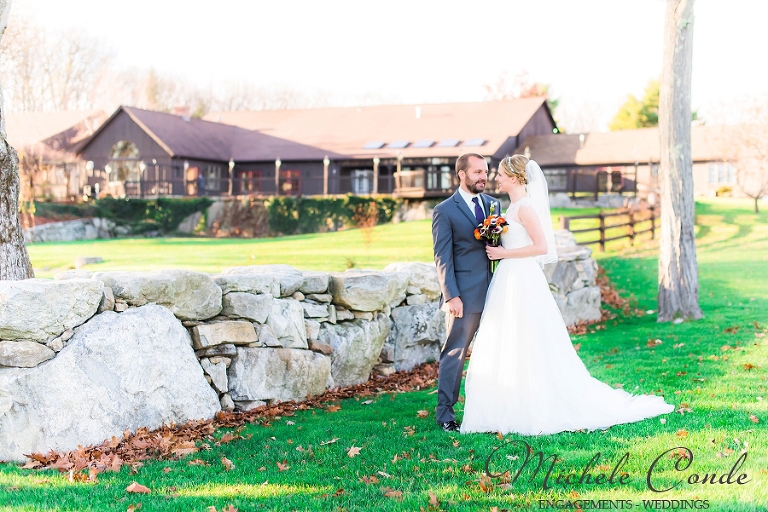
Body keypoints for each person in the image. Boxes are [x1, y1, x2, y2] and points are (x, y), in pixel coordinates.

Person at [460, 155, 674, 435]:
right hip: (509, 278)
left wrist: (504, 253)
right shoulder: (512, 207)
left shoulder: (524, 207)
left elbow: (541, 246)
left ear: (513, 177)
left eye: (500, 174)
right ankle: (509, 402)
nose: (496, 178)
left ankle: (532, 404)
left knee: (528, 339)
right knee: (510, 337)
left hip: (521, 277)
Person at [432, 153, 502, 432]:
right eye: (477, 172)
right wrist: (451, 296)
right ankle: (445, 414)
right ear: (461, 174)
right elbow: (442, 257)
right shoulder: (445, 210)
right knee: (455, 353)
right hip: (464, 295)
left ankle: (492, 408)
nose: (483, 177)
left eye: (485, 172)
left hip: (496, 290)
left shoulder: (493, 205)